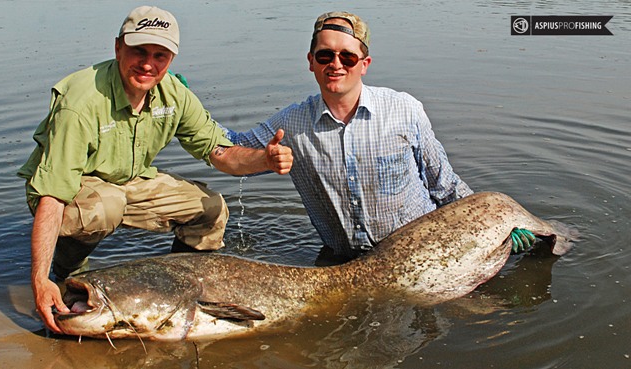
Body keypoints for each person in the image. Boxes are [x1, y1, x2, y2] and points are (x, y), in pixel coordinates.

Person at [17, 6, 293, 334]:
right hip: (74, 192)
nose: (148, 63)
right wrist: (40, 279)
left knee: (212, 209)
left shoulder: (174, 93)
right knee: (105, 206)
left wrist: (264, 160)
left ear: (171, 59)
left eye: (160, 55)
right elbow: (53, 193)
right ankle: (68, 274)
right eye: (139, 51)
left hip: (129, 180)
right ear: (118, 47)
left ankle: (182, 287)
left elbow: (220, 152)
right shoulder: (80, 103)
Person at [225, 11, 535, 264]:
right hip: (345, 264)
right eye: (325, 55)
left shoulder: (404, 110)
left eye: (347, 57)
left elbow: (445, 185)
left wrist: (501, 227)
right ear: (311, 61)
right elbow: (230, 147)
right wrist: (184, 104)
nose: (335, 65)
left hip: (424, 256)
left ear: (364, 64)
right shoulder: (291, 124)